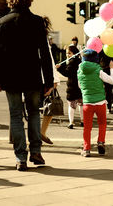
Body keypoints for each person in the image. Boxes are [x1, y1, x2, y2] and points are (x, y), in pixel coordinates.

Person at [0, 0, 54, 171]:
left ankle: (20, 157)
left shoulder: (0, 23)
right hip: (32, 76)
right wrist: (48, 81)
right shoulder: (37, 22)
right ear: (29, 2)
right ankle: (36, 151)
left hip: (10, 78)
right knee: (34, 112)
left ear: (10, 2)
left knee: (15, 115)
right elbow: (44, 54)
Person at [77, 49, 113, 157]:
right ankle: (101, 142)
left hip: (87, 103)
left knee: (87, 127)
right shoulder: (98, 70)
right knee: (102, 124)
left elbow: (80, 86)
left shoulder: (79, 70)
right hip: (100, 102)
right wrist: (112, 69)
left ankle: (86, 149)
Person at [40, 17, 61, 145]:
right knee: (50, 107)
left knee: (36, 108)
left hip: (32, 79)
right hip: (45, 79)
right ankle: (41, 132)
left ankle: (39, 133)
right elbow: (49, 62)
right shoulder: (44, 40)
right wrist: (54, 80)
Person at [56, 45, 83, 129]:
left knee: (71, 105)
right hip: (80, 86)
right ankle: (83, 121)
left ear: (74, 53)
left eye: (69, 53)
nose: (67, 55)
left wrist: (59, 68)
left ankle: (71, 122)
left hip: (72, 86)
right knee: (81, 104)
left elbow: (67, 73)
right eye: (66, 53)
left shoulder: (72, 62)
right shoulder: (80, 61)